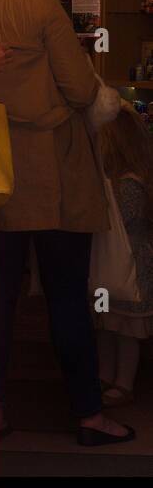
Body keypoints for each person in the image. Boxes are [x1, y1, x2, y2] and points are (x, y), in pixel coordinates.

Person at [0, 0, 133, 446]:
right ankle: (89, 415)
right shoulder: (42, 5)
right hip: (55, 173)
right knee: (68, 296)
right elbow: (78, 90)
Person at [96, 106, 153, 406]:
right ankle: (110, 377)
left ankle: (120, 381)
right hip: (125, 267)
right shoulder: (129, 180)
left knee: (120, 326)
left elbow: (121, 220)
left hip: (125, 266)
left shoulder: (127, 184)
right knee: (110, 324)